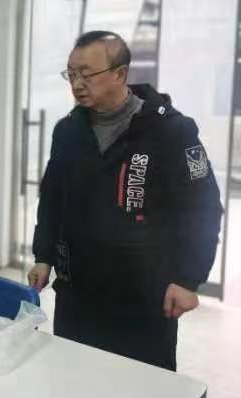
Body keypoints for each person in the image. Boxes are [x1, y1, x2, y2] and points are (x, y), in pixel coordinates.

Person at [28, 30, 222, 371]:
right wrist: (43, 256)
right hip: (78, 293)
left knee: (141, 391)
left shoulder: (170, 131)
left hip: (144, 298)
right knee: (73, 379)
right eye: (71, 74)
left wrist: (188, 279)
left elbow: (203, 208)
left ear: (120, 74)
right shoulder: (68, 131)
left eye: (87, 74)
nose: (77, 84)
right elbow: (53, 198)